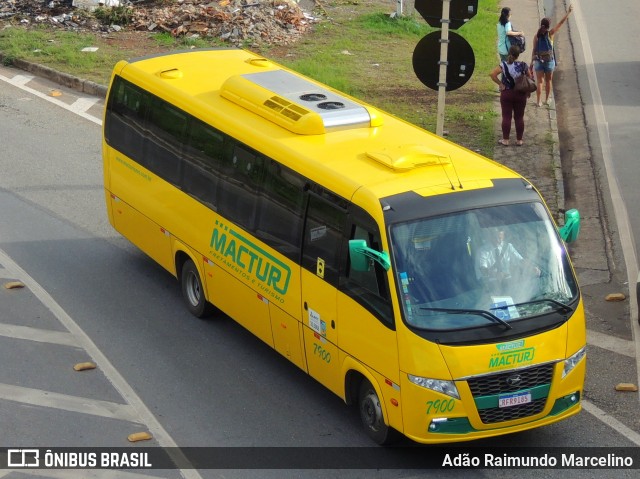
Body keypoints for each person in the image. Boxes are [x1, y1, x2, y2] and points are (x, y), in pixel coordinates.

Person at [490, 45, 533, 146]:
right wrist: (528, 92)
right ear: (518, 55)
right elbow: (529, 78)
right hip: (520, 94)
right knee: (519, 117)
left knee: (506, 117)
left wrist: (500, 84)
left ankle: (505, 140)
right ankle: (519, 140)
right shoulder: (523, 65)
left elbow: (492, 74)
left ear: (509, 53)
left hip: (507, 93)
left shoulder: (503, 65)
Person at [531, 4, 574, 107]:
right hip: (549, 61)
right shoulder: (550, 34)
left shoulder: (536, 36)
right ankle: (546, 100)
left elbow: (534, 49)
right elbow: (560, 23)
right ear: (548, 26)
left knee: (540, 82)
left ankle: (538, 102)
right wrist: (568, 12)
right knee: (548, 80)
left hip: (538, 61)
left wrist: (531, 61)